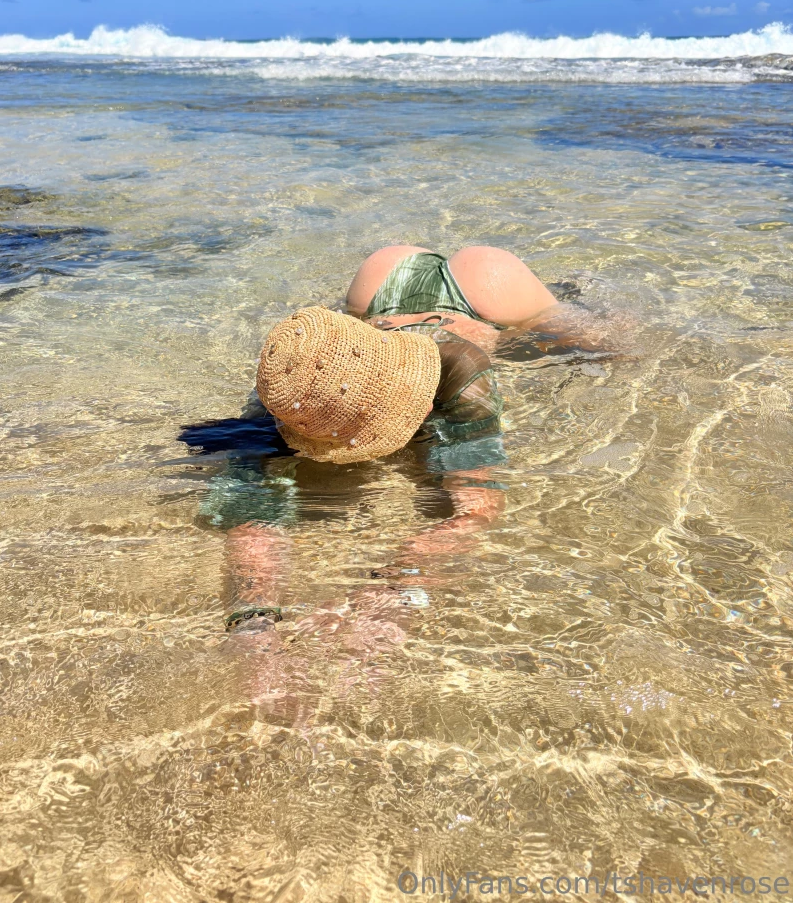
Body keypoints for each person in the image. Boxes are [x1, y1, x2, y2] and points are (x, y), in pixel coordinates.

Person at [182, 245, 611, 635]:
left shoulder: (461, 368)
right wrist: (254, 624)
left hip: (491, 290)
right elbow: (250, 515)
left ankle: (579, 290)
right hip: (382, 284)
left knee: (611, 346)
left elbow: (478, 510)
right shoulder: (295, 379)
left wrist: (397, 587)